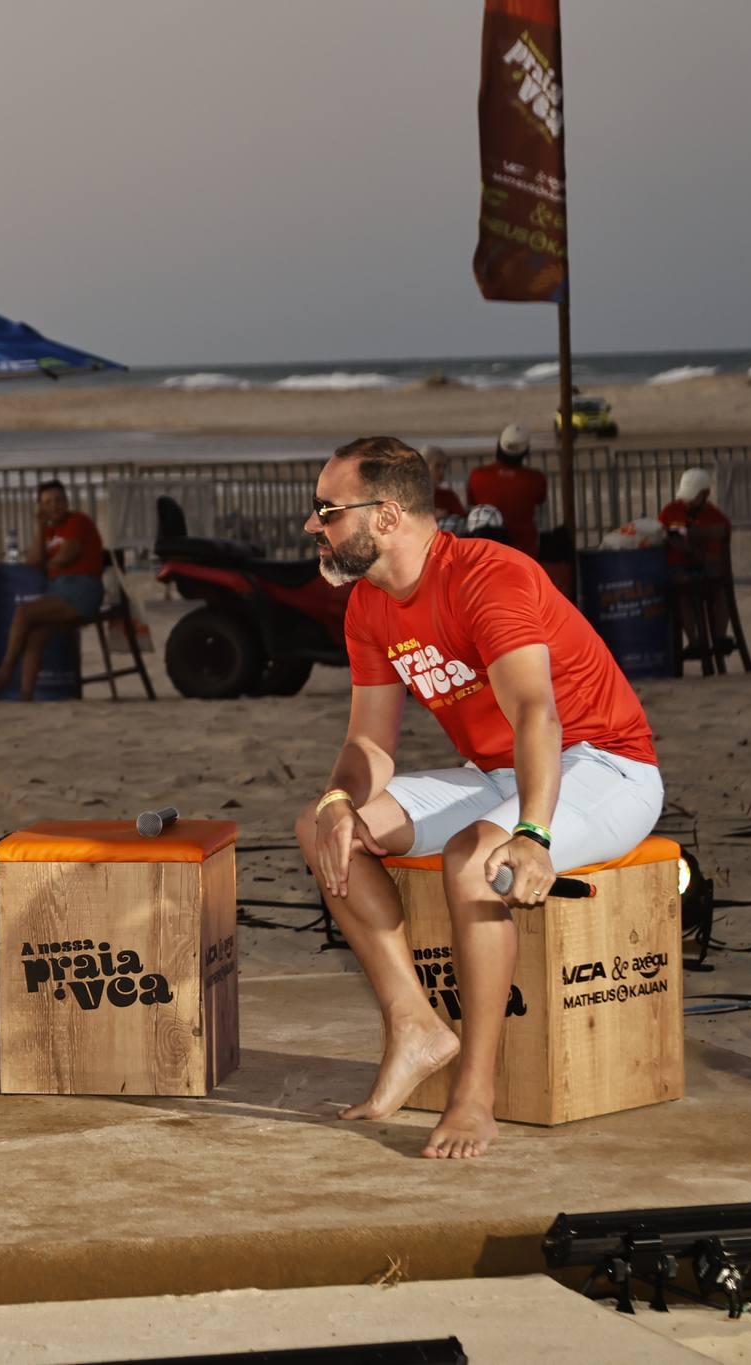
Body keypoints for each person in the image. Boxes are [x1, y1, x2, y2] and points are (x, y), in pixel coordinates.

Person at [293, 437, 662, 1160]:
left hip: (605, 764)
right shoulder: (369, 603)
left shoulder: (488, 574)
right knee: (319, 826)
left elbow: (536, 714)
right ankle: (414, 1024)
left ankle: (475, 1096)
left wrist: (533, 833)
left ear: (387, 516)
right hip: (497, 771)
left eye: (327, 511)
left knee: (471, 858)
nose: (314, 525)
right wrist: (338, 799)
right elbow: (369, 743)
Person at [0, 480, 104, 699]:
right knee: (35, 637)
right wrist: (40, 527)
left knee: (24, 613)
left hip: (81, 587)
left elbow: (68, 554)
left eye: (59, 500)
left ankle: (5, 671)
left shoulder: (78, 521)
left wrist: (48, 565)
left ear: (67, 502)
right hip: (59, 590)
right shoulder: (49, 531)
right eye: (48, 502)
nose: (55, 506)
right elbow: (34, 562)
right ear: (40, 507)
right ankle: (26, 696)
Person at [658, 468, 734, 656]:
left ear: (705, 495)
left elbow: (719, 540)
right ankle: (695, 641)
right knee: (681, 591)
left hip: (705, 571)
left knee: (719, 589)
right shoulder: (670, 511)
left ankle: (719, 638)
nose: (688, 503)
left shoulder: (715, 517)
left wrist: (691, 544)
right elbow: (660, 533)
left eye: (693, 498)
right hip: (678, 571)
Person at [466, 424, 548, 558]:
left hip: (486, 552)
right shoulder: (535, 479)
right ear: (525, 451)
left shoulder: (477, 476)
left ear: (499, 446)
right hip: (524, 551)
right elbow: (541, 500)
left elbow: (472, 503)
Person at [423, 445, 466, 526]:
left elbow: (463, 521)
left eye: (444, 467)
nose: (442, 471)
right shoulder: (412, 497)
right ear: (424, 467)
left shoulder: (449, 496)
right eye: (437, 466)